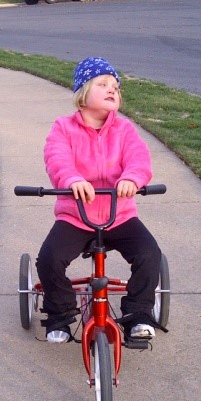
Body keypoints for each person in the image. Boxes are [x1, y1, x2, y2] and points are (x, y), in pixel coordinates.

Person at [36, 56, 163, 343]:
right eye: (102, 84)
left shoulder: (125, 129)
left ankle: (138, 314)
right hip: (76, 216)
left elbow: (139, 157)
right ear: (82, 94)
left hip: (120, 215)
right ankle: (60, 314)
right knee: (49, 259)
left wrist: (132, 178)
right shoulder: (63, 128)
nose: (112, 90)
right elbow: (56, 159)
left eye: (116, 88)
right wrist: (72, 179)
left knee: (149, 254)